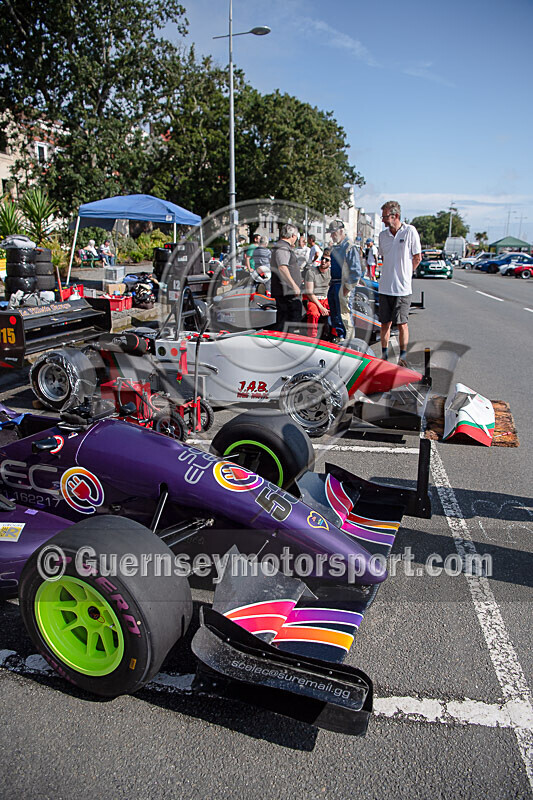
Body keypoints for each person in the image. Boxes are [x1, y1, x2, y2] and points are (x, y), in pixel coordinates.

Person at [377, 200, 421, 364]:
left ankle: (402, 357)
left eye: (384, 216)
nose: (382, 220)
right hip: (385, 287)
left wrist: (406, 275)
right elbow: (383, 257)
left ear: (395, 215)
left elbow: (417, 257)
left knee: (402, 323)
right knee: (384, 324)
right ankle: (384, 356)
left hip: (402, 289)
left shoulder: (409, 231)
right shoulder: (383, 235)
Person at [326, 219, 362, 342]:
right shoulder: (336, 248)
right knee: (335, 315)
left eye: (333, 232)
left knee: (345, 316)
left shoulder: (350, 247)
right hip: (335, 284)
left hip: (343, 285)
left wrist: (346, 289)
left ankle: (349, 342)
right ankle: (340, 338)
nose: (331, 235)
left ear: (341, 231)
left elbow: (356, 272)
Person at [270, 223, 302, 332]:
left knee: (288, 320)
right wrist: (294, 285)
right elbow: (282, 267)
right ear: (292, 236)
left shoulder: (283, 247)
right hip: (287, 293)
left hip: (286, 292)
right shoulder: (283, 247)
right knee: (288, 321)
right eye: (296, 237)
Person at [304, 249, 331, 338]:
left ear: (331, 263)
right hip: (313, 299)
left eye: (326, 260)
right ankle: (312, 337)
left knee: (336, 311)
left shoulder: (331, 273)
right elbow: (309, 293)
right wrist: (321, 307)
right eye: (322, 258)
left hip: (326, 299)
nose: (323, 261)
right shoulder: (311, 272)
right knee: (314, 314)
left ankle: (335, 336)